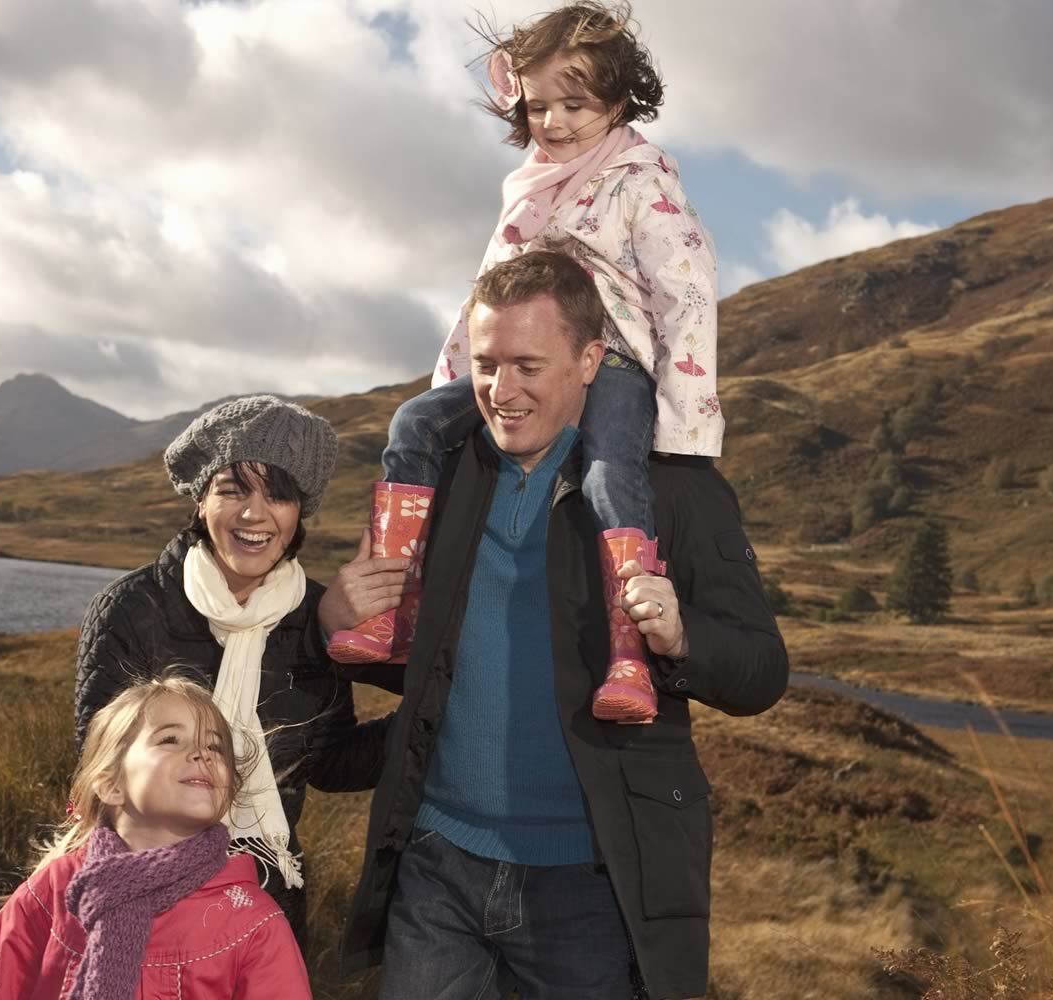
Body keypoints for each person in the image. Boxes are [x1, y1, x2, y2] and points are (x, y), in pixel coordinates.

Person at [336, 250, 788, 1000]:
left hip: (594, 888)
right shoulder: (438, 476)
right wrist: (336, 616)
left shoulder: (674, 493)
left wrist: (680, 640)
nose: (499, 391)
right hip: (437, 867)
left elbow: (762, 671)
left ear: (590, 359)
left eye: (527, 366)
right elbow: (427, 659)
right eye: (484, 364)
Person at [326, 1, 723, 730]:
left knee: (609, 473)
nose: (557, 121)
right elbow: (489, 290)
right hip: (519, 361)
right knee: (414, 421)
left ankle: (628, 653)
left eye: (577, 103)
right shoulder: (526, 184)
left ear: (617, 99)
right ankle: (392, 611)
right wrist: (458, 383)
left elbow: (687, 296)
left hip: (616, 361)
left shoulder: (643, 184)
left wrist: (685, 422)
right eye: (540, 105)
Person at [74, 394, 393, 948]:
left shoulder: (315, 613)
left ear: (300, 514)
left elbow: (329, 763)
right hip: (142, 902)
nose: (255, 513)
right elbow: (102, 773)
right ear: (200, 500)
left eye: (279, 495)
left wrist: (436, 715)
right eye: (232, 489)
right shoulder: (132, 608)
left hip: (264, 904)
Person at [0, 673, 311, 1000]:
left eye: (215, 746)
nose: (202, 754)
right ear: (111, 784)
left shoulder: (250, 919)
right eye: (171, 739)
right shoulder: (53, 890)